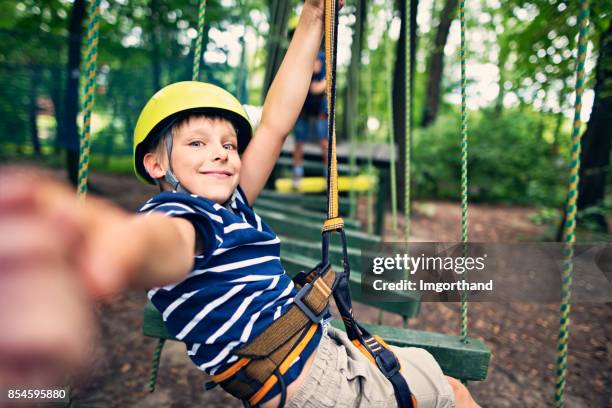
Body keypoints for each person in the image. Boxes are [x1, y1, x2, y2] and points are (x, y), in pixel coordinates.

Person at [0, 1, 480, 407]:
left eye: (229, 145)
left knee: (444, 382)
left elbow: (273, 123)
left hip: (320, 355)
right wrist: (109, 241)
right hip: (311, 380)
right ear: (154, 165)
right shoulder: (181, 216)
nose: (220, 153)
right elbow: (162, 246)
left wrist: (314, 14)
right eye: (197, 144)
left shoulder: (232, 204)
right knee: (452, 395)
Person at [292, 50, 329, 188]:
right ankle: (297, 173)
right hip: (304, 112)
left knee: (324, 143)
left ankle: (328, 174)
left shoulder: (325, 74)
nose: (315, 64)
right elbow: (312, 89)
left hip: (320, 112)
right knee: (299, 143)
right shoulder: (304, 74)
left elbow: (319, 89)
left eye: (317, 62)